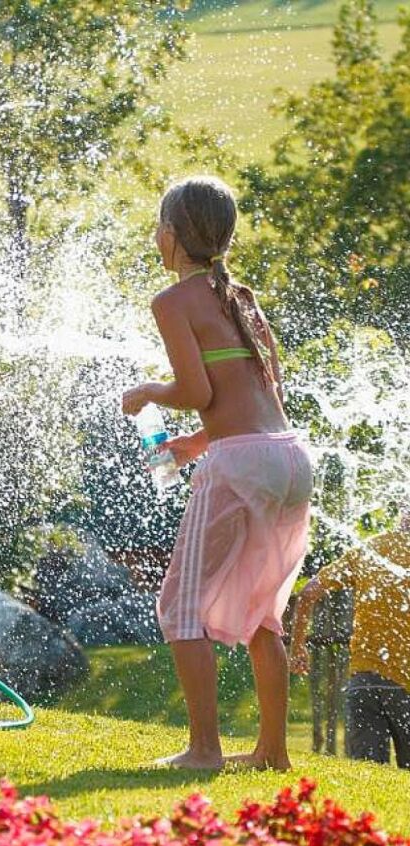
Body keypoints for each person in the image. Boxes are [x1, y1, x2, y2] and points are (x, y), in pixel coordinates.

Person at [122, 176, 314, 770]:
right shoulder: (244, 298)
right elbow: (260, 393)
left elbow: (195, 388)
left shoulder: (172, 301)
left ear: (173, 236)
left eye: (160, 225)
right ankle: (272, 753)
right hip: (288, 457)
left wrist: (149, 391)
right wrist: (198, 442)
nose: (157, 236)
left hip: (243, 463)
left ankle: (204, 749)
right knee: (264, 611)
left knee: (180, 603)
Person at [289, 513, 410, 768]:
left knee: (369, 777)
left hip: (363, 684)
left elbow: (309, 592)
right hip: (406, 691)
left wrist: (298, 646)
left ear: (401, 513)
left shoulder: (369, 550)